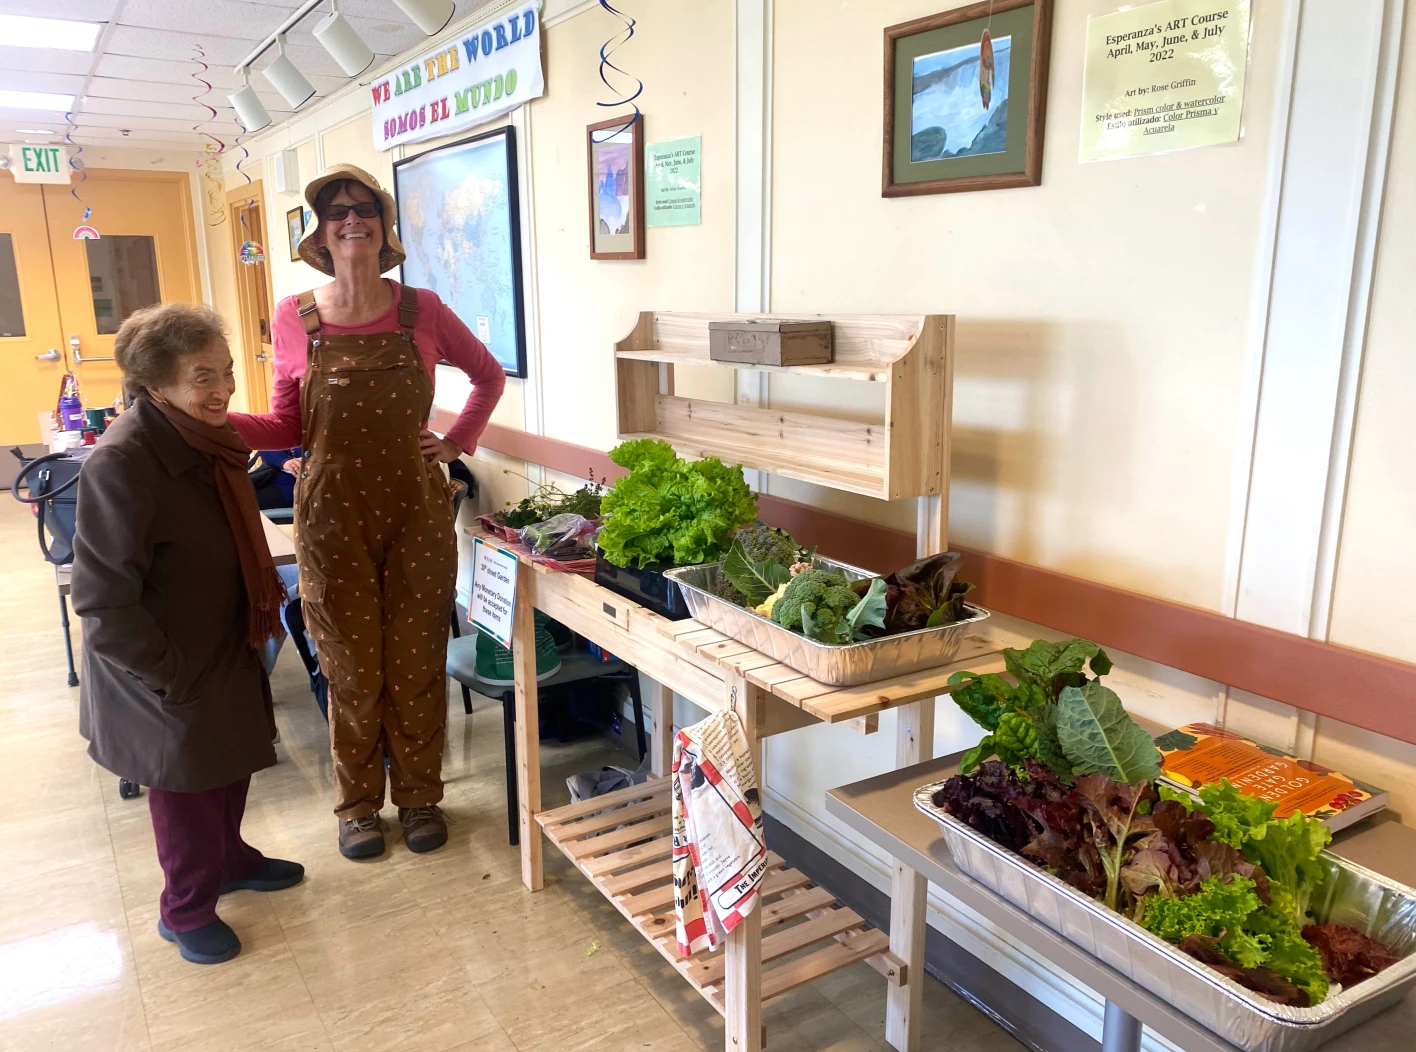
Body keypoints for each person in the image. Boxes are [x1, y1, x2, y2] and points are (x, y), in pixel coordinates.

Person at [229, 163, 506, 860]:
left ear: (384, 226)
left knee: (415, 661)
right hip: (330, 513)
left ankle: (419, 799)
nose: (351, 218)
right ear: (319, 233)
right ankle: (357, 808)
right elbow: (287, 422)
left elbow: (488, 376)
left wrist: (454, 443)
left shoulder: (424, 310)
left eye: (364, 208)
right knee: (351, 670)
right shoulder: (295, 316)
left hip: (416, 505)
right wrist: (211, 422)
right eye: (335, 211)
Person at [71, 303, 303, 966]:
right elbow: (103, 601)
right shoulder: (125, 461)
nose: (224, 390)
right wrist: (167, 675)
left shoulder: (211, 440)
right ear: (156, 384)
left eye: (227, 373)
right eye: (204, 377)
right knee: (186, 787)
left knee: (228, 764)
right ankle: (185, 908)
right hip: (162, 658)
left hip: (222, 637)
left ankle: (230, 860)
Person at [251, 445, 302, 510]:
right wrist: (284, 462)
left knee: (243, 501)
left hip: (292, 489)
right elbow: (266, 447)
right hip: (271, 476)